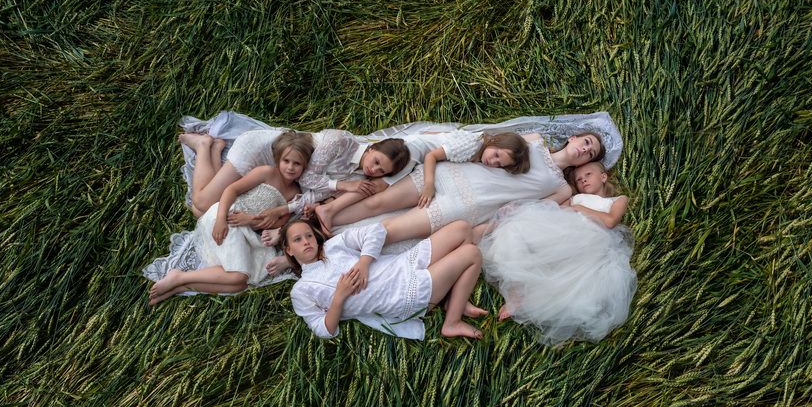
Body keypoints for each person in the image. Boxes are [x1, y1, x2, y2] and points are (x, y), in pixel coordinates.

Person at [332, 131, 607, 247]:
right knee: (377, 203)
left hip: (467, 206)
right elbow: (490, 144)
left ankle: (327, 243)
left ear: (588, 162)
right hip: (452, 175)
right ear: (573, 138)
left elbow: (528, 213)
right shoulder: (535, 140)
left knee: (391, 231)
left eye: (590, 152)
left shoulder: (563, 189)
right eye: (586, 142)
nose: (585, 150)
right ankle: (322, 220)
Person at [476, 161, 636, 344]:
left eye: (588, 175)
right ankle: (517, 289)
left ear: (603, 177)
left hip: (593, 238)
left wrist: (579, 208)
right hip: (564, 229)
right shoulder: (576, 198)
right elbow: (553, 211)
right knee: (515, 231)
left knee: (566, 278)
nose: (583, 180)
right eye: (578, 179)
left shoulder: (616, 200)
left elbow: (610, 221)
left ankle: (527, 297)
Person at [146, 131, 314, 305]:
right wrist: (220, 219)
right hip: (228, 217)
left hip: (246, 228)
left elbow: (278, 222)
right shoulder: (266, 172)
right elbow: (231, 190)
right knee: (239, 276)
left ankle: (180, 287)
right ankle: (180, 277)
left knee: (240, 285)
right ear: (278, 158)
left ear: (305, 165)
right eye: (286, 161)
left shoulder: (295, 193)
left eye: (297, 163)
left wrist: (252, 220)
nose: (290, 167)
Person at [282, 219, 488, 340]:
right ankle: (452, 322)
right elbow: (323, 329)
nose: (306, 242)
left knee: (461, 228)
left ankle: (454, 298)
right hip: (402, 293)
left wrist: (364, 262)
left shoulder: (332, 247)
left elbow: (376, 230)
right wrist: (339, 297)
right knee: (471, 253)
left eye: (309, 236)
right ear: (289, 250)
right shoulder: (301, 290)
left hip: (401, 264)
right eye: (298, 240)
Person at [312, 131, 531, 234]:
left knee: (375, 186)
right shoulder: (472, 145)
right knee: (378, 186)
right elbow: (431, 156)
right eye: (496, 155)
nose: (493, 162)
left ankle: (328, 207)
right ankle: (329, 209)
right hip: (414, 153)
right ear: (495, 141)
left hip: (417, 152)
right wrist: (428, 184)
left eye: (499, 164)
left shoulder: (481, 151)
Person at [178, 128, 410, 219]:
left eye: (381, 171)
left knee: (201, 213)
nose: (373, 170)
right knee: (203, 202)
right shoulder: (339, 141)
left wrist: (286, 209)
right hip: (269, 152)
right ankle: (204, 146)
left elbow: (314, 195)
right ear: (372, 148)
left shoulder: (358, 177)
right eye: (376, 161)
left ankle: (216, 151)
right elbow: (305, 178)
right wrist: (342, 186)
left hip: (283, 173)